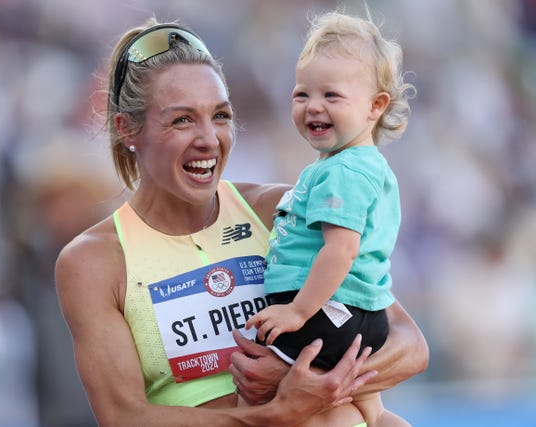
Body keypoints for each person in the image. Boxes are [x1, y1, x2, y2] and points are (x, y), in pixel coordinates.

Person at [54, 17, 428, 427]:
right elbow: (124, 417)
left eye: (220, 116)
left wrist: (304, 377)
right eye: (182, 120)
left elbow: (409, 345)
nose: (209, 140)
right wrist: (274, 412)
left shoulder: (278, 209)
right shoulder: (93, 263)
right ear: (128, 129)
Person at [243, 10, 417, 426]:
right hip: (360, 314)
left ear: (376, 106)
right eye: (302, 94)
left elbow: (341, 250)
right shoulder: (359, 165)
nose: (313, 106)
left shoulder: (343, 172)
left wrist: (297, 313)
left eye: (331, 96)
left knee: (252, 390)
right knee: (370, 413)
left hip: (325, 314)